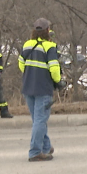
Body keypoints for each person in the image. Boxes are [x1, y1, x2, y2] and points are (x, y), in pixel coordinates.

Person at [18, 18, 65, 162]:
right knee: (40, 120)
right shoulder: (50, 47)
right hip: (43, 88)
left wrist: (30, 75)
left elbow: (21, 64)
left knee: (37, 120)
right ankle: (35, 152)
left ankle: (46, 146)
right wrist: (58, 81)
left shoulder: (27, 45)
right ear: (47, 31)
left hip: (28, 87)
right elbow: (54, 67)